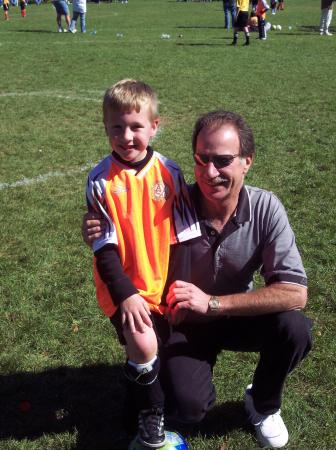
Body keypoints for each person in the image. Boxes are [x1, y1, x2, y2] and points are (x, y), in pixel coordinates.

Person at [83, 110, 312, 449]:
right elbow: (129, 219)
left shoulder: (265, 208)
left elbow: (295, 292)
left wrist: (215, 303)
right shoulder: (173, 201)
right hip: (184, 322)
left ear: (247, 161)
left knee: (295, 328)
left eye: (222, 161)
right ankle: (153, 384)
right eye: (201, 159)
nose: (209, 172)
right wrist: (99, 227)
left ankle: (263, 403)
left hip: (235, 314)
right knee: (188, 411)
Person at [85, 79, 200, 448]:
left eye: (136, 126)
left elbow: (183, 238)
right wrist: (127, 296)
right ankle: (152, 419)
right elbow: (104, 249)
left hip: (163, 284)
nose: (126, 136)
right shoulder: (100, 180)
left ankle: (132, 402)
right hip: (123, 288)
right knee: (143, 341)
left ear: (155, 126)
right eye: (116, 127)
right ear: (106, 129)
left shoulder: (170, 172)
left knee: (151, 353)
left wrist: (175, 290)